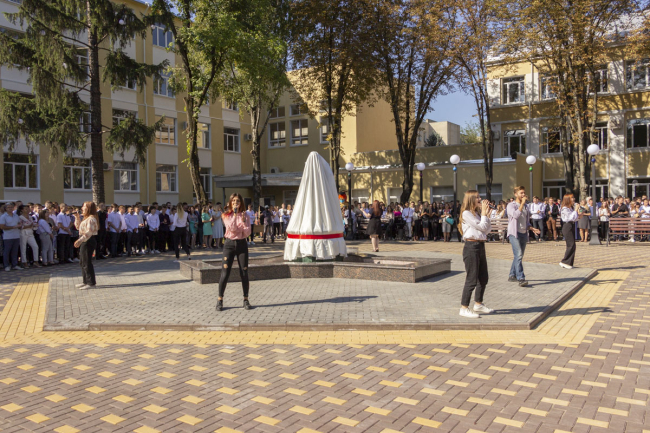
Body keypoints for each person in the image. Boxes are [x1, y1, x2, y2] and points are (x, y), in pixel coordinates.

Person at [458, 190, 493, 318]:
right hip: (471, 247)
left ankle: (478, 304)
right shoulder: (466, 213)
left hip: (480, 245)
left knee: (483, 277)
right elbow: (482, 227)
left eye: (480, 196)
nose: (480, 199)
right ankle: (464, 308)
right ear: (471, 199)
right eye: (477, 197)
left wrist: (486, 216)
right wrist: (484, 214)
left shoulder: (477, 214)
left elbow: (487, 230)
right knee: (472, 278)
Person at [216, 193, 253, 312]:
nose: (235, 203)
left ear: (241, 203)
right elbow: (231, 228)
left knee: (244, 272)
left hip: (242, 244)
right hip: (229, 245)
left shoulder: (246, 215)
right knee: (225, 273)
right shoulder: (226, 215)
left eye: (237, 201)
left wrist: (242, 222)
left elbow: (247, 232)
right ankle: (220, 299)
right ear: (230, 203)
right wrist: (236, 217)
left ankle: (246, 299)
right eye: (233, 201)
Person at [506, 186, 540, 287]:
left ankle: (512, 275)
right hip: (514, 233)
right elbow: (515, 215)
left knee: (518, 256)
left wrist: (532, 228)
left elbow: (526, 221)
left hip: (523, 233)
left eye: (524, 193)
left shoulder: (526, 206)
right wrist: (521, 204)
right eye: (521, 193)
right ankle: (521, 278)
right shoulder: (511, 205)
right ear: (515, 194)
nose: (523, 195)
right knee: (519, 255)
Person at [74, 202, 99, 289]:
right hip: (84, 239)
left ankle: (91, 283)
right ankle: (85, 281)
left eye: (84, 206)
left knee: (87, 262)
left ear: (89, 208)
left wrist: (80, 240)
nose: (82, 208)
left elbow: (89, 232)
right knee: (82, 261)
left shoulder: (91, 219)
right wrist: (77, 218)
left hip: (88, 240)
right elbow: (78, 227)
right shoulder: (86, 218)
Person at [560, 194, 580, 269]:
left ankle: (569, 262)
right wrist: (575, 210)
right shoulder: (564, 208)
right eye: (572, 198)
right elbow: (569, 218)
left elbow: (574, 218)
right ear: (567, 199)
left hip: (571, 225)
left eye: (573, 197)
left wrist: (579, 216)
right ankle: (564, 261)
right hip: (567, 226)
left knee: (573, 245)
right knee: (570, 244)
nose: (573, 199)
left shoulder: (570, 208)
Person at [0, 203, 21, 271]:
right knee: (7, 251)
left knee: (15, 251)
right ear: (6, 208)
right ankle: (6, 265)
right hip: (8, 236)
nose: (10, 208)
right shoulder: (3, 216)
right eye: (8, 207)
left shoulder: (16, 215)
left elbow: (19, 223)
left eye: (11, 207)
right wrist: (13, 227)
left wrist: (19, 225)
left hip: (16, 235)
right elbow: (2, 226)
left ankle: (14, 264)